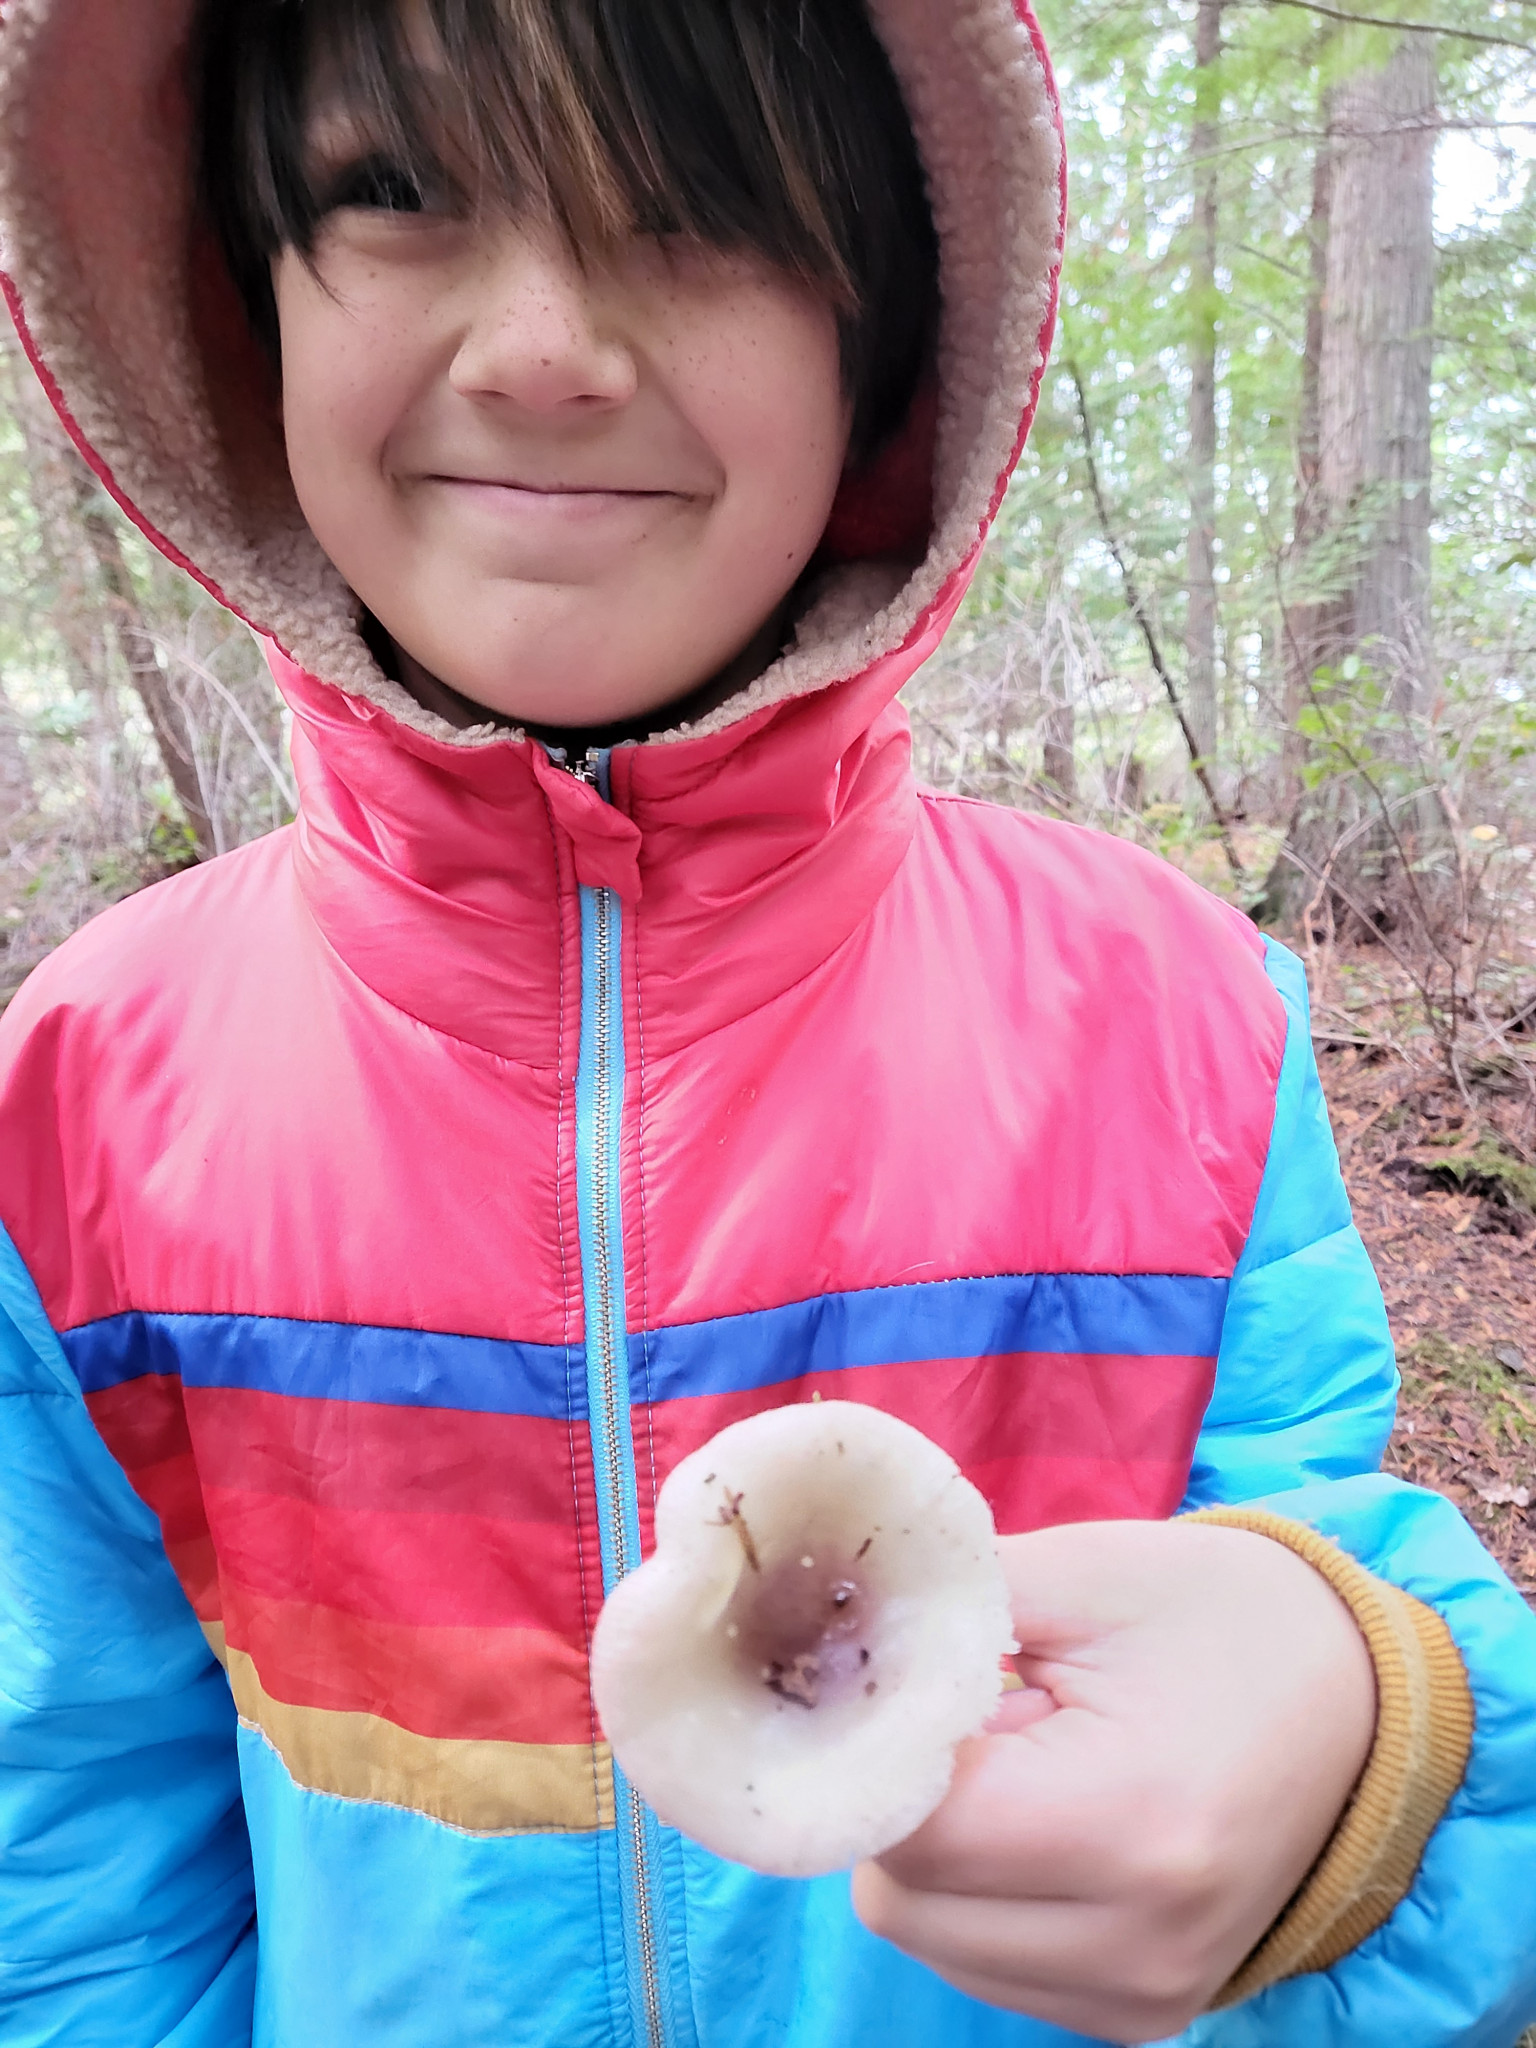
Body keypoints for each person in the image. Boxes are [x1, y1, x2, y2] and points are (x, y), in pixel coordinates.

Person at [0, 0, 1531, 2043]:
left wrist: (1365, 1732)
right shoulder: (86, 1093)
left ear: (879, 351)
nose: (542, 348)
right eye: (398, 186)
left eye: (694, 209)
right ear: (239, 295)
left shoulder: (1177, 1024)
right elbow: (77, 1866)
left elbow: (1324, 1594)